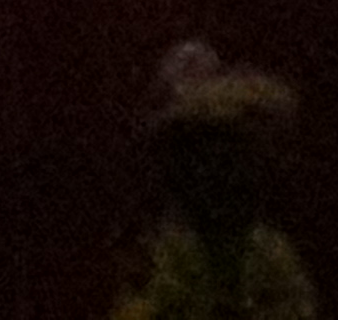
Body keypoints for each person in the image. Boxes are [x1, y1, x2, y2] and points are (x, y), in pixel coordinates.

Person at [112, 42, 317, 320]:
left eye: (235, 157)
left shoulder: (269, 258)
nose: (224, 175)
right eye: (206, 157)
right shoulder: (164, 259)